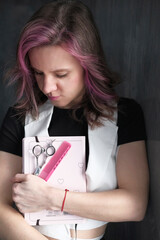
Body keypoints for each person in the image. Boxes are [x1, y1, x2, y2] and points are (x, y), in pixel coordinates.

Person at [0, 1, 149, 240]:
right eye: (38, 73)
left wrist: (51, 197)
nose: (47, 86)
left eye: (61, 74)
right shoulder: (20, 117)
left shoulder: (124, 115)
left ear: (86, 66)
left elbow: (134, 205)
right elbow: (0, 208)